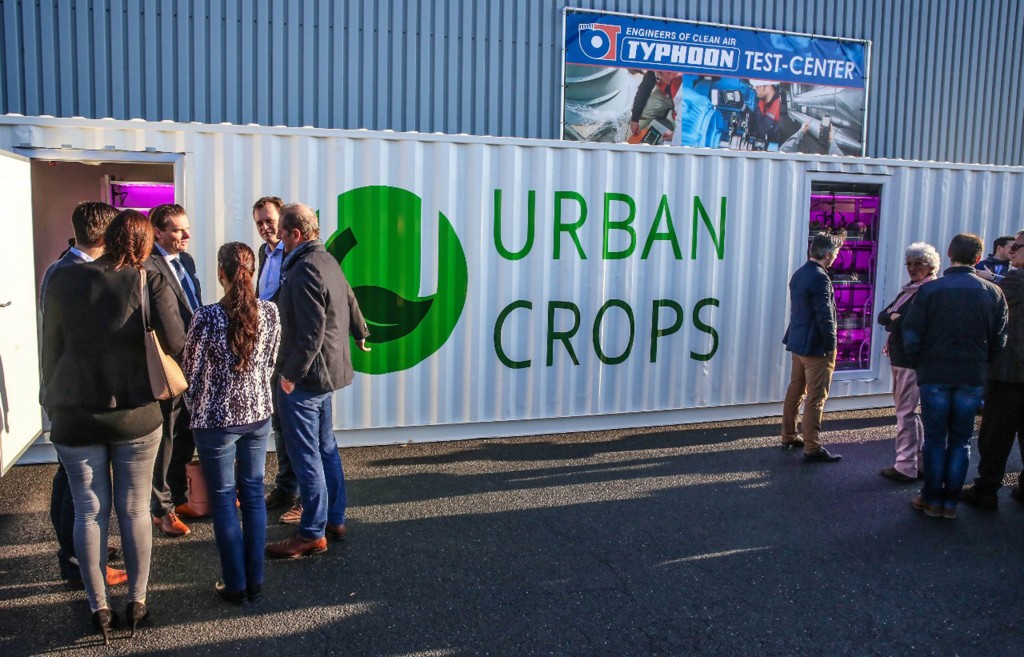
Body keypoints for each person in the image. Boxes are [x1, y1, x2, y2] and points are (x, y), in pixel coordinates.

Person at [41, 210, 185, 643]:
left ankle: (98, 607)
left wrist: (50, 402)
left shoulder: (59, 277)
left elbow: (50, 346)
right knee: (136, 509)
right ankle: (138, 602)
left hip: (74, 412)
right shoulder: (145, 278)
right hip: (136, 413)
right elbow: (176, 341)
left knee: (89, 511)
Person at [265, 203, 370, 559]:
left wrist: (290, 376)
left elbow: (312, 330)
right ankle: (334, 519)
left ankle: (311, 532)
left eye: (281, 231)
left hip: (308, 378)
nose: (278, 238)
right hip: (326, 374)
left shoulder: (305, 267)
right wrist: (361, 331)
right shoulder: (326, 260)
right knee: (325, 449)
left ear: (296, 234)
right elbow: (349, 296)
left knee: (306, 454)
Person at [183, 242, 281, 603]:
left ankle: (235, 584)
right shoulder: (270, 313)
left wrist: (195, 404)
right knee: (253, 495)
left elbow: (189, 374)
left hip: (214, 419)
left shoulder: (206, 317)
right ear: (252, 272)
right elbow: (270, 364)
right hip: (258, 415)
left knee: (225, 501)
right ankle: (255, 580)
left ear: (220, 274)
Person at [39, 201, 128, 589]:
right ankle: (75, 560)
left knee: (69, 478)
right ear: (107, 236)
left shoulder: (57, 269)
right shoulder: (75, 275)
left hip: (61, 391)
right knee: (79, 486)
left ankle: (76, 549)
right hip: (75, 396)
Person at [902, 234, 1007, 519]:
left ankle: (931, 497)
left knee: (936, 439)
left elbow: (911, 333)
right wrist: (983, 364)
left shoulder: (931, 291)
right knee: (961, 440)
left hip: (935, 373)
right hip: (971, 375)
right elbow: (1000, 339)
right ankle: (950, 503)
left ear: (949, 254)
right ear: (978, 258)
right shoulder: (993, 292)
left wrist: (920, 361)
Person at [144, 203, 203, 536]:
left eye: (187, 228)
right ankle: (161, 509)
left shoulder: (186, 260)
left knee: (186, 429)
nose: (187, 235)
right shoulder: (147, 266)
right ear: (158, 232)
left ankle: (179, 496)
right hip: (168, 363)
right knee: (166, 433)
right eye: (178, 230)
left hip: (192, 359)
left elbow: (191, 303)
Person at [961, 230, 1024, 509]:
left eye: (1018, 246)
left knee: (995, 436)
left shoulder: (1017, 279)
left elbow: (993, 305)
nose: (1012, 251)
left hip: (1009, 374)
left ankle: (986, 491)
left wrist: (986, 280)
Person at [251, 196, 300, 517]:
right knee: (280, 425)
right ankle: (285, 489)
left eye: (270, 221)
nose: (266, 228)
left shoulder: (298, 254)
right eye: (259, 223)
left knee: (299, 428)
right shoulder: (263, 252)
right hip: (270, 350)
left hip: (293, 352)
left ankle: (304, 499)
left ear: (283, 221)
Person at [877, 242, 940, 482]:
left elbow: (904, 323)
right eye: (909, 264)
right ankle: (918, 462)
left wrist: (894, 319)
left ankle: (905, 466)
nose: (912, 269)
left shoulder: (926, 291)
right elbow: (884, 316)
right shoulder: (909, 290)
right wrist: (893, 318)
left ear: (931, 266)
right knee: (910, 412)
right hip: (902, 357)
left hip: (910, 359)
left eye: (918, 264)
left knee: (905, 413)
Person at [781, 232, 845, 462]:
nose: (837, 258)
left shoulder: (800, 274)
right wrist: (832, 345)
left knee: (795, 390)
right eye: (836, 254)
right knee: (816, 397)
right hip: (817, 348)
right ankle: (812, 447)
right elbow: (825, 316)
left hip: (798, 343)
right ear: (827, 255)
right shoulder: (820, 278)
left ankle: (789, 435)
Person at [747, 79, 786, 145]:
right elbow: (753, 119)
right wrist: (742, 106)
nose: (755, 88)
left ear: (768, 87)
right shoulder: (762, 101)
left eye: (758, 86)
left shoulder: (777, 105)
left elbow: (762, 130)